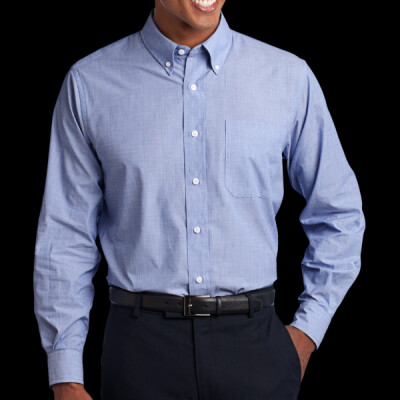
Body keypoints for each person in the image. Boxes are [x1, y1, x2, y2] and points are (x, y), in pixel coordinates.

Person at [33, 0, 366, 399]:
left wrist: (308, 329)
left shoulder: (287, 77)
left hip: (256, 348)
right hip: (140, 352)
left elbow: (339, 213)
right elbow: (65, 236)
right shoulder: (90, 83)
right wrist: (66, 374)